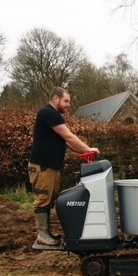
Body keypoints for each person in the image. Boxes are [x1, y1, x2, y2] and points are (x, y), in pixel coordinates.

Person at [28, 87, 100, 246]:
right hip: (43, 166)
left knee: (50, 199)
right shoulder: (48, 113)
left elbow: (66, 142)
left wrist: (84, 152)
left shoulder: (53, 116)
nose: (68, 105)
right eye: (66, 101)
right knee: (43, 199)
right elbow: (68, 135)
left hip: (50, 166)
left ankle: (47, 233)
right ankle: (42, 235)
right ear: (55, 99)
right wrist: (88, 149)